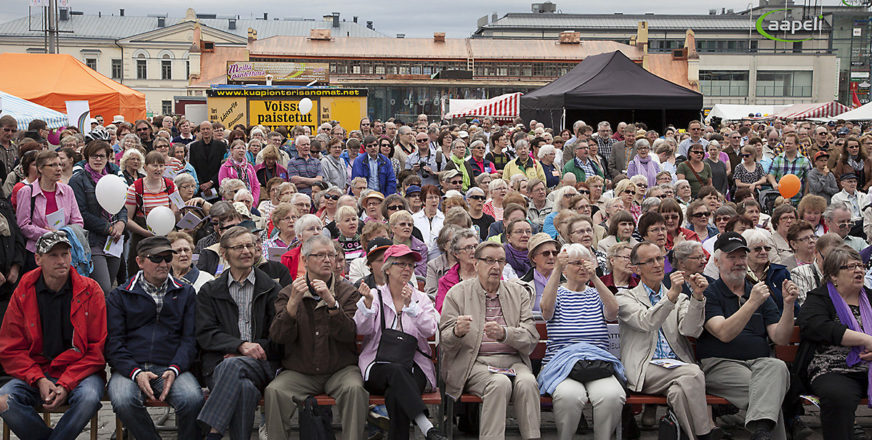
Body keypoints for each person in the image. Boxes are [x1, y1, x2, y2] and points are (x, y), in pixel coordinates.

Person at [0, 231, 106, 440]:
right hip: (36, 371)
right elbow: (11, 348)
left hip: (79, 372)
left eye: (65, 254)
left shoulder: (91, 290)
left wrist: (66, 383)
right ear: (38, 259)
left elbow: (97, 350)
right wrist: (38, 378)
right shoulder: (23, 291)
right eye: (53, 255)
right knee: (3, 400)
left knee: (89, 398)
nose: (61, 261)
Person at [265, 235, 368, 440]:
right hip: (301, 371)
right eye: (320, 255)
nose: (327, 260)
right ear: (305, 260)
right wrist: (292, 305)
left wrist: (332, 305)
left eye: (331, 255)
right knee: (274, 391)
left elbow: (350, 334)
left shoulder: (348, 292)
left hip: (340, 369)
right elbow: (278, 336)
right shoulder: (288, 293)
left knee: (355, 390)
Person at [697, 232, 797, 440]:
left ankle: (761, 433)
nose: (738, 262)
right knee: (769, 392)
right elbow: (724, 333)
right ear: (716, 261)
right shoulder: (710, 293)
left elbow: (780, 338)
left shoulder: (758, 292)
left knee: (777, 367)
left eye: (742, 257)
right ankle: (762, 432)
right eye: (731, 257)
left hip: (760, 363)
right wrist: (751, 303)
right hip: (721, 364)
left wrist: (788, 306)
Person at [439, 241, 541, 440]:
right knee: (499, 383)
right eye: (489, 260)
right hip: (475, 363)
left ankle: (532, 437)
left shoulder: (518, 293)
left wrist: (505, 334)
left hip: (513, 361)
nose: (496, 266)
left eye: (501, 261)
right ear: (476, 264)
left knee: (528, 382)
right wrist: (457, 332)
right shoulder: (458, 294)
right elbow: (444, 341)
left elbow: (531, 337)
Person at [106, 236, 204, 440]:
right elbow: (114, 342)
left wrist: (175, 368)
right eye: (156, 258)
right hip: (130, 368)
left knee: (192, 398)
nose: (164, 263)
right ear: (140, 262)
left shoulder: (185, 292)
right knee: (124, 400)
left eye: (168, 258)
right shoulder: (120, 295)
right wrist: (135, 372)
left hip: (170, 365)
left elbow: (190, 339)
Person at [617, 241, 714, 438]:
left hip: (677, 369)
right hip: (645, 368)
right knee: (694, 372)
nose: (657, 264)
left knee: (679, 393)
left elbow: (691, 330)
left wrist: (697, 297)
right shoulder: (625, 297)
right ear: (637, 269)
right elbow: (646, 322)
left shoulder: (680, 298)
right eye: (650, 261)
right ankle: (706, 434)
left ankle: (689, 436)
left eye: (660, 258)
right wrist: (670, 297)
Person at [196, 226, 282, 440]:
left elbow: (278, 336)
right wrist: (239, 346)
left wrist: (251, 350)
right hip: (218, 364)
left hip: (261, 364)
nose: (246, 251)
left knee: (233, 365)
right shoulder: (210, 291)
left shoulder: (271, 289)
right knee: (244, 389)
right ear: (224, 254)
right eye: (239, 247)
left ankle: (212, 433)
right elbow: (206, 333)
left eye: (249, 246)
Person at [354, 245, 445, 440]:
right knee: (396, 371)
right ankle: (427, 426)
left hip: (414, 364)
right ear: (387, 269)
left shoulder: (420, 298)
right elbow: (361, 330)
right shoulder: (375, 295)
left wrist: (412, 307)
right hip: (378, 364)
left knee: (396, 392)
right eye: (401, 264)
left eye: (411, 265)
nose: (407, 269)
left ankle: (423, 429)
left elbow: (429, 330)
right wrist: (367, 305)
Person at [537, 243, 625, 440]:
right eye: (576, 263)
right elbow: (546, 310)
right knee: (569, 397)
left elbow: (613, 311)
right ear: (565, 269)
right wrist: (556, 269)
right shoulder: (556, 292)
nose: (583, 267)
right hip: (561, 363)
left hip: (596, 362)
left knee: (612, 395)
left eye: (586, 263)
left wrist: (595, 278)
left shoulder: (597, 294)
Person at [796, 246, 872, 439]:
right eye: (851, 266)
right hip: (834, 369)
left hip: (870, 366)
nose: (859, 270)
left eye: (861, 265)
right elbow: (817, 326)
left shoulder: (870, 297)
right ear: (834, 276)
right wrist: (866, 339)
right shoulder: (819, 299)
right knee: (838, 397)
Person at [69, 140, 127, 295]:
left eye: (102, 156)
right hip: (93, 240)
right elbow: (81, 213)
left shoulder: (114, 177)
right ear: (87, 157)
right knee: (103, 288)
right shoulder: (78, 180)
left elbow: (122, 205)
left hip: (114, 240)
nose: (98, 160)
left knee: (109, 290)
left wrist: (121, 222)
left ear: (108, 157)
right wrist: (108, 228)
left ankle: (107, 318)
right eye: (94, 156)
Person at [16, 151, 85, 272]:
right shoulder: (26, 192)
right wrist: (49, 234)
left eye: (60, 164)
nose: (58, 169)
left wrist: (61, 233)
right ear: (40, 169)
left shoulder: (67, 190)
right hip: (37, 253)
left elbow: (78, 221)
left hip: (64, 252)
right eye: (52, 165)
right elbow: (23, 225)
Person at [125, 151, 178, 275]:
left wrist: (177, 213)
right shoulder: (135, 188)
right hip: (143, 239)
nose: (158, 169)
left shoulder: (171, 186)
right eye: (154, 165)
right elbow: (127, 219)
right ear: (145, 167)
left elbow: (176, 213)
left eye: (161, 165)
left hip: (166, 238)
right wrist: (145, 233)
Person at [743, 228, 794, 315]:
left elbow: (793, 305)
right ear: (745, 252)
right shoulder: (739, 276)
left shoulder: (780, 273)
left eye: (766, 248)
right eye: (757, 249)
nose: (763, 252)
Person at [515, 232, 562, 313]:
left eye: (554, 253)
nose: (551, 257)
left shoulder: (567, 283)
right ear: (533, 258)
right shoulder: (520, 286)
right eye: (546, 253)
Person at [768, 133, 811, 205]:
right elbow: (771, 174)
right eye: (786, 143)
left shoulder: (804, 161)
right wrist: (774, 183)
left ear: (797, 145)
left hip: (797, 200)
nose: (787, 145)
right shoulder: (778, 159)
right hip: (780, 199)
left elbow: (808, 180)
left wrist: (804, 196)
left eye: (790, 143)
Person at [189, 121, 224, 198]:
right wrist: (201, 184)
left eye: (208, 129)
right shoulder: (194, 147)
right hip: (200, 188)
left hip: (216, 186)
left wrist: (211, 182)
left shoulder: (221, 146)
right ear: (200, 131)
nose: (205, 131)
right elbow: (193, 167)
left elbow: (222, 167)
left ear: (212, 130)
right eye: (203, 129)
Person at [389, 210, 428, 278]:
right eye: (402, 224)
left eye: (410, 225)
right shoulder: (385, 245)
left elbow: (421, 271)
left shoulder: (421, 247)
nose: (407, 227)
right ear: (393, 228)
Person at [412, 185, 444, 261]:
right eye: (430, 198)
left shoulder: (444, 218)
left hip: (439, 258)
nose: (434, 200)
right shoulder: (414, 218)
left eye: (436, 197)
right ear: (423, 201)